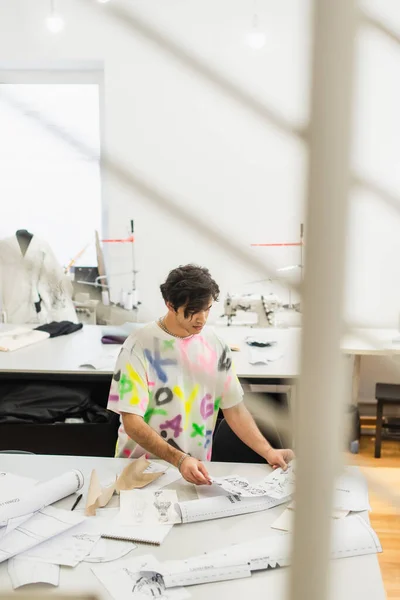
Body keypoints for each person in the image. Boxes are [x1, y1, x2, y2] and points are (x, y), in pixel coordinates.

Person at [108, 264, 294, 485]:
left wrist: (268, 451)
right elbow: (132, 422)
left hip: (193, 471)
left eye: (206, 309)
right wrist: (179, 459)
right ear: (170, 305)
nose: (202, 318)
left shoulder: (215, 344)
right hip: (140, 470)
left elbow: (234, 408)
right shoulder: (139, 346)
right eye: (193, 311)